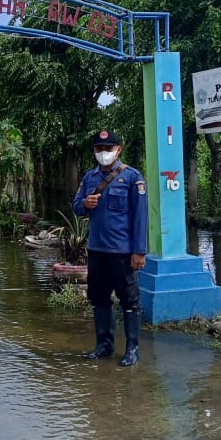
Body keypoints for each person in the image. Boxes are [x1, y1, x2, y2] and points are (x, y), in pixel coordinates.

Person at [72, 130, 148, 367]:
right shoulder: (89, 178)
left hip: (122, 252)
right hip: (97, 250)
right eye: (98, 149)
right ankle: (104, 346)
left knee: (129, 301)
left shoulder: (132, 178)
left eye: (108, 149)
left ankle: (132, 349)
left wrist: (139, 251)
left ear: (118, 150)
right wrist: (85, 204)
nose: (103, 153)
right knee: (99, 299)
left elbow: (140, 217)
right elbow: (76, 206)